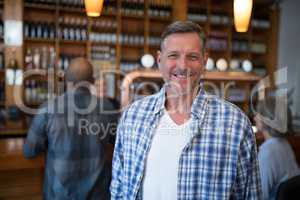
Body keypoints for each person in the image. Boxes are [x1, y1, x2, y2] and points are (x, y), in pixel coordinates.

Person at [110, 21, 262, 199]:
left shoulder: (235, 124)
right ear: (160, 60)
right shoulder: (132, 116)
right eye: (173, 55)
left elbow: (250, 195)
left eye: (192, 57)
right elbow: (118, 190)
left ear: (204, 61)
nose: (182, 66)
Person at [23, 57, 117, 200]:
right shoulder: (107, 108)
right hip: (98, 194)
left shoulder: (48, 108)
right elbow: (118, 145)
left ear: (65, 79)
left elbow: (29, 151)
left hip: (59, 194)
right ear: (92, 81)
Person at [254, 96, 299, 200]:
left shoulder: (268, 151)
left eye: (258, 113)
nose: (255, 117)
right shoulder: (284, 144)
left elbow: (259, 195)